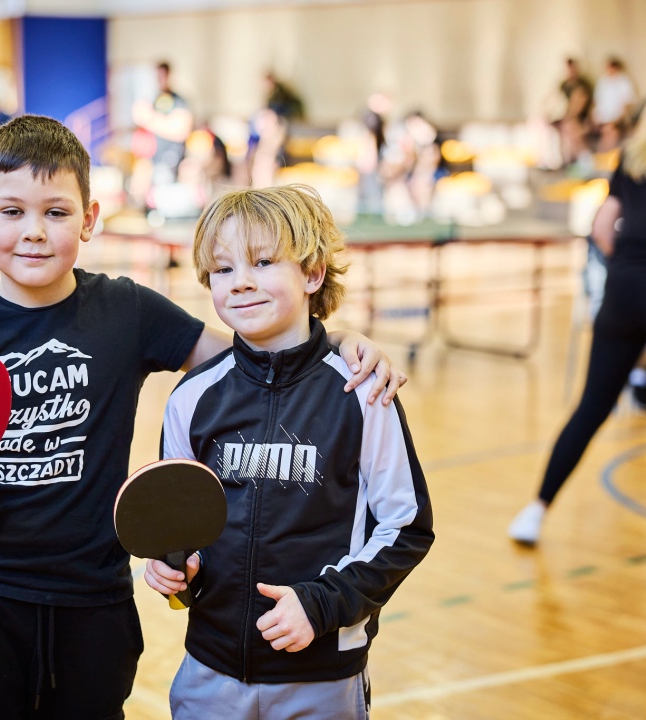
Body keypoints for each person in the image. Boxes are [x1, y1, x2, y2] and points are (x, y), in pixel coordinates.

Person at [0, 115, 408, 718]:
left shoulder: (127, 310)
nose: (33, 232)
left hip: (91, 599)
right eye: (12, 212)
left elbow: (249, 355)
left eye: (56, 213)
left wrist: (334, 339)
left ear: (89, 219)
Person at [145, 185, 434, 719]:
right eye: (224, 269)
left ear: (313, 274)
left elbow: (406, 527)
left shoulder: (364, 391)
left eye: (263, 261)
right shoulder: (191, 398)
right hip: (208, 672)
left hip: (320, 676)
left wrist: (323, 604)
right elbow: (184, 532)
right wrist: (177, 572)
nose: (243, 282)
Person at [508, 71, 646, 576]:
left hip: (626, 288)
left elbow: (601, 226)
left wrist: (630, 266)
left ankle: (535, 510)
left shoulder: (635, 159)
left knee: (592, 405)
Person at [132, 62, 194, 189]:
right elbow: (138, 117)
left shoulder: (179, 101)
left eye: (162, 76)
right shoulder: (150, 99)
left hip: (171, 158)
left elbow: (181, 130)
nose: (159, 80)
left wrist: (149, 118)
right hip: (151, 159)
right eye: (157, 76)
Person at [592, 57, 637, 153]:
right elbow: (596, 102)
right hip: (601, 119)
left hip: (616, 120)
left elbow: (627, 105)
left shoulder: (624, 81)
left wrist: (616, 121)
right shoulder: (603, 81)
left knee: (610, 132)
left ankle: (606, 159)